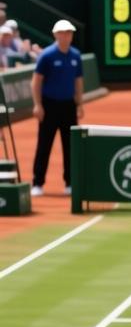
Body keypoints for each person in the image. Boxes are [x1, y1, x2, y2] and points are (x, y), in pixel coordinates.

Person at [30, 20, 84, 197]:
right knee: (44, 144)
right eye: (62, 33)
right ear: (55, 35)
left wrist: (80, 104)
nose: (66, 36)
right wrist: (38, 104)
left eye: (69, 33)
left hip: (68, 106)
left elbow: (78, 81)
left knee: (70, 146)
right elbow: (36, 81)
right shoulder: (47, 56)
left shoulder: (76, 56)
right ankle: (38, 183)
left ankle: (70, 183)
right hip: (49, 105)